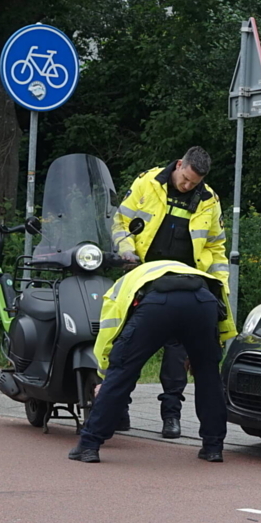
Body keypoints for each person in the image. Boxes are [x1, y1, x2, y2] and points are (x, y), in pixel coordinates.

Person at [111, 146, 229, 439]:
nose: (188, 186)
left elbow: (216, 248)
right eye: (186, 179)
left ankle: (171, 415)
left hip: (185, 285)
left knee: (177, 358)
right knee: (126, 348)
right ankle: (118, 409)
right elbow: (120, 223)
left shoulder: (208, 200)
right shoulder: (147, 183)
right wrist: (127, 253)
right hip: (143, 279)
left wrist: (217, 286)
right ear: (179, 165)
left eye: (194, 183)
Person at [68, 260, 237, 463]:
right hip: (203, 301)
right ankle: (213, 447)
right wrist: (204, 355)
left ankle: (89, 446)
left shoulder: (121, 287)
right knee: (208, 377)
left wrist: (105, 375)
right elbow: (220, 313)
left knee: (122, 372)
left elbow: (108, 335)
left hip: (157, 305)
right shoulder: (189, 271)